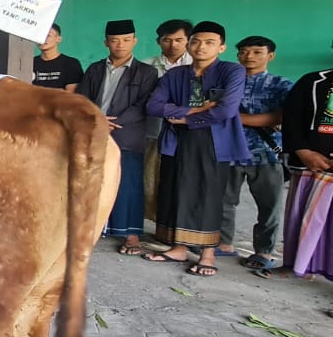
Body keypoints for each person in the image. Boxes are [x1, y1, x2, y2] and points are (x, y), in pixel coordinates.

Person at [142, 21, 249, 277]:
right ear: (189, 45)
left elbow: (226, 110)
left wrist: (187, 119)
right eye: (196, 41)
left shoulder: (232, 71)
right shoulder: (175, 75)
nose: (201, 47)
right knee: (176, 191)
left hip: (213, 142)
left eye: (209, 42)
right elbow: (153, 106)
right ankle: (178, 248)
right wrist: (195, 110)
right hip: (176, 140)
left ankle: (208, 255)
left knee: (209, 196)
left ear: (221, 47)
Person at [76, 19, 158, 255]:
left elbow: (142, 105)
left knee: (128, 185)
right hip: (94, 132)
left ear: (134, 41)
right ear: (106, 43)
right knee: (92, 183)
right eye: (114, 40)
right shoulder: (94, 69)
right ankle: (93, 230)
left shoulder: (147, 72)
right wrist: (96, 120)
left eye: (125, 40)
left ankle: (131, 235)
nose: (120, 45)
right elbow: (83, 99)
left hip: (128, 135)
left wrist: (112, 123)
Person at [223, 36, 292, 268]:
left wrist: (237, 118)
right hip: (229, 150)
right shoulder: (228, 82)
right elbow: (215, 110)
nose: (248, 56)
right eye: (243, 52)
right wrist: (259, 120)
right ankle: (223, 244)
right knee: (224, 201)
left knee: (269, 206)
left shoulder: (281, 85)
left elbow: (280, 117)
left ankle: (264, 251)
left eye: (256, 52)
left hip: (266, 153)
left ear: (270, 55)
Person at [280, 51, 333, 281]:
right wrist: (303, 152)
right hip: (311, 165)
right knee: (302, 218)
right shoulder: (312, 81)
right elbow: (291, 119)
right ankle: (296, 265)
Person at [143, 19, 194, 221]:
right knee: (150, 180)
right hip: (153, 132)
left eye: (179, 40)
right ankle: (157, 223)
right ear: (159, 41)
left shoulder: (196, 65)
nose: (173, 45)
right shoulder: (147, 66)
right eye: (167, 40)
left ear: (188, 41)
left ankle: (178, 224)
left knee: (183, 179)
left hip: (188, 134)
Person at [32, 23, 83, 92]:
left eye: (48, 35)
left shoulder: (71, 64)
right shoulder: (30, 63)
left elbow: (71, 96)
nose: (43, 39)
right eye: (40, 35)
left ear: (58, 39)